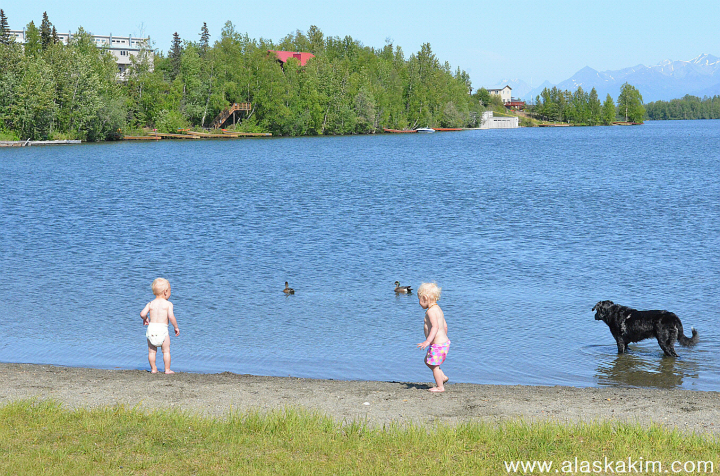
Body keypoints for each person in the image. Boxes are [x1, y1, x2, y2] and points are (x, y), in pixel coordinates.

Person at [140, 278, 180, 374]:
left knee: (152, 352)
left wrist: (145, 318)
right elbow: (171, 317)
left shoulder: (150, 303)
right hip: (162, 329)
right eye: (170, 291)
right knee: (166, 351)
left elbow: (142, 314)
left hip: (151, 328)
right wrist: (176, 327)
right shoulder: (168, 304)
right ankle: (167, 369)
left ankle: (153, 369)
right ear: (165, 292)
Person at [416, 282, 450, 392]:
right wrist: (444, 337)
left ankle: (440, 387)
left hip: (437, 344)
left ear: (425, 298)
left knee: (434, 365)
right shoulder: (438, 309)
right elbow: (445, 325)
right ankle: (442, 376)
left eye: (419, 299)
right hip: (444, 342)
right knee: (427, 360)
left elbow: (435, 327)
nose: (419, 302)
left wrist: (427, 341)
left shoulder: (430, 312)